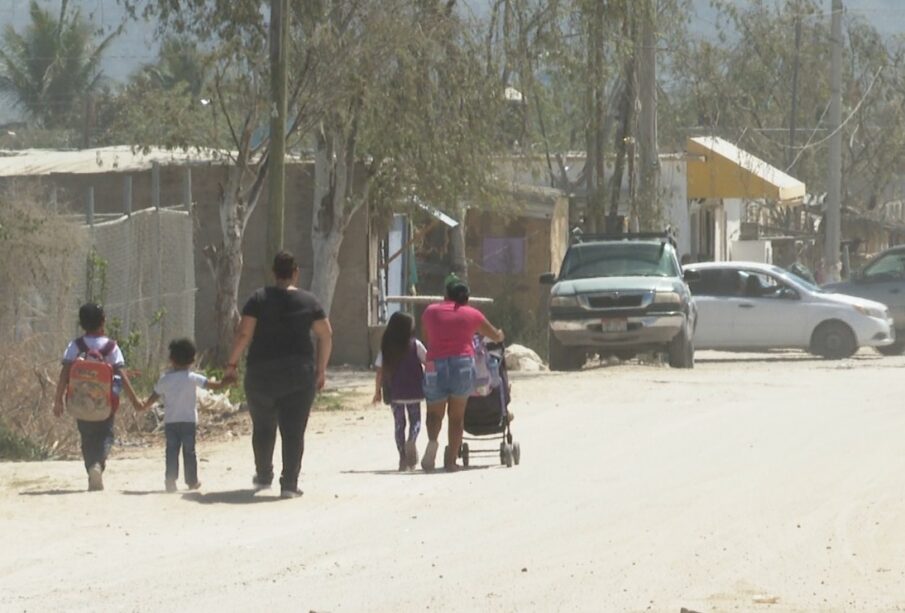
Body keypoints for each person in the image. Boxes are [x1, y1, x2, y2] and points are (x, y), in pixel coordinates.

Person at [224, 250, 333, 499]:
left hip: (261, 373)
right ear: (295, 273)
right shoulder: (309, 302)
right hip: (299, 375)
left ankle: (264, 476)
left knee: (263, 427)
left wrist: (231, 364)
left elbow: (243, 334)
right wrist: (321, 369)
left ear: (273, 273)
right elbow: (326, 334)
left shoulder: (258, 299)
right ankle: (289, 484)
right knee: (293, 430)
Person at [53, 303, 141, 491]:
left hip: (80, 402)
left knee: (87, 437)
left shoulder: (75, 346)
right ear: (103, 322)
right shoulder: (111, 347)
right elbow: (122, 375)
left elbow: (64, 374)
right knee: (106, 435)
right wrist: (135, 400)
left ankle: (91, 467)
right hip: (105, 402)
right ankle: (98, 465)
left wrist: (58, 399)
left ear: (81, 323)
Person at [420, 275, 504, 472]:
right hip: (462, 364)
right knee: (456, 417)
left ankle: (432, 443)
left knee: (434, 413)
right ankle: (450, 461)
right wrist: (501, 334)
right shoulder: (472, 315)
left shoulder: (431, 312)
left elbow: (426, 336)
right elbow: (494, 335)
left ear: (447, 294)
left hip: (435, 365)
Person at [143, 338, 228, 493]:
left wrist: (143, 406)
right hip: (188, 422)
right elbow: (213, 385)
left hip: (170, 422)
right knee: (189, 452)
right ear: (192, 360)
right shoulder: (193, 377)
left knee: (171, 451)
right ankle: (192, 481)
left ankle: (170, 481)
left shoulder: (165, 379)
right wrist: (227, 381)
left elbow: (153, 396)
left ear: (171, 359)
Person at [372, 311, 426, 471]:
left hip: (395, 392)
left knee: (398, 424)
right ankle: (412, 440)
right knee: (415, 420)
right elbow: (428, 361)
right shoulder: (416, 345)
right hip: (414, 390)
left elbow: (379, 372)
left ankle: (403, 456)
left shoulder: (386, 348)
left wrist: (377, 392)